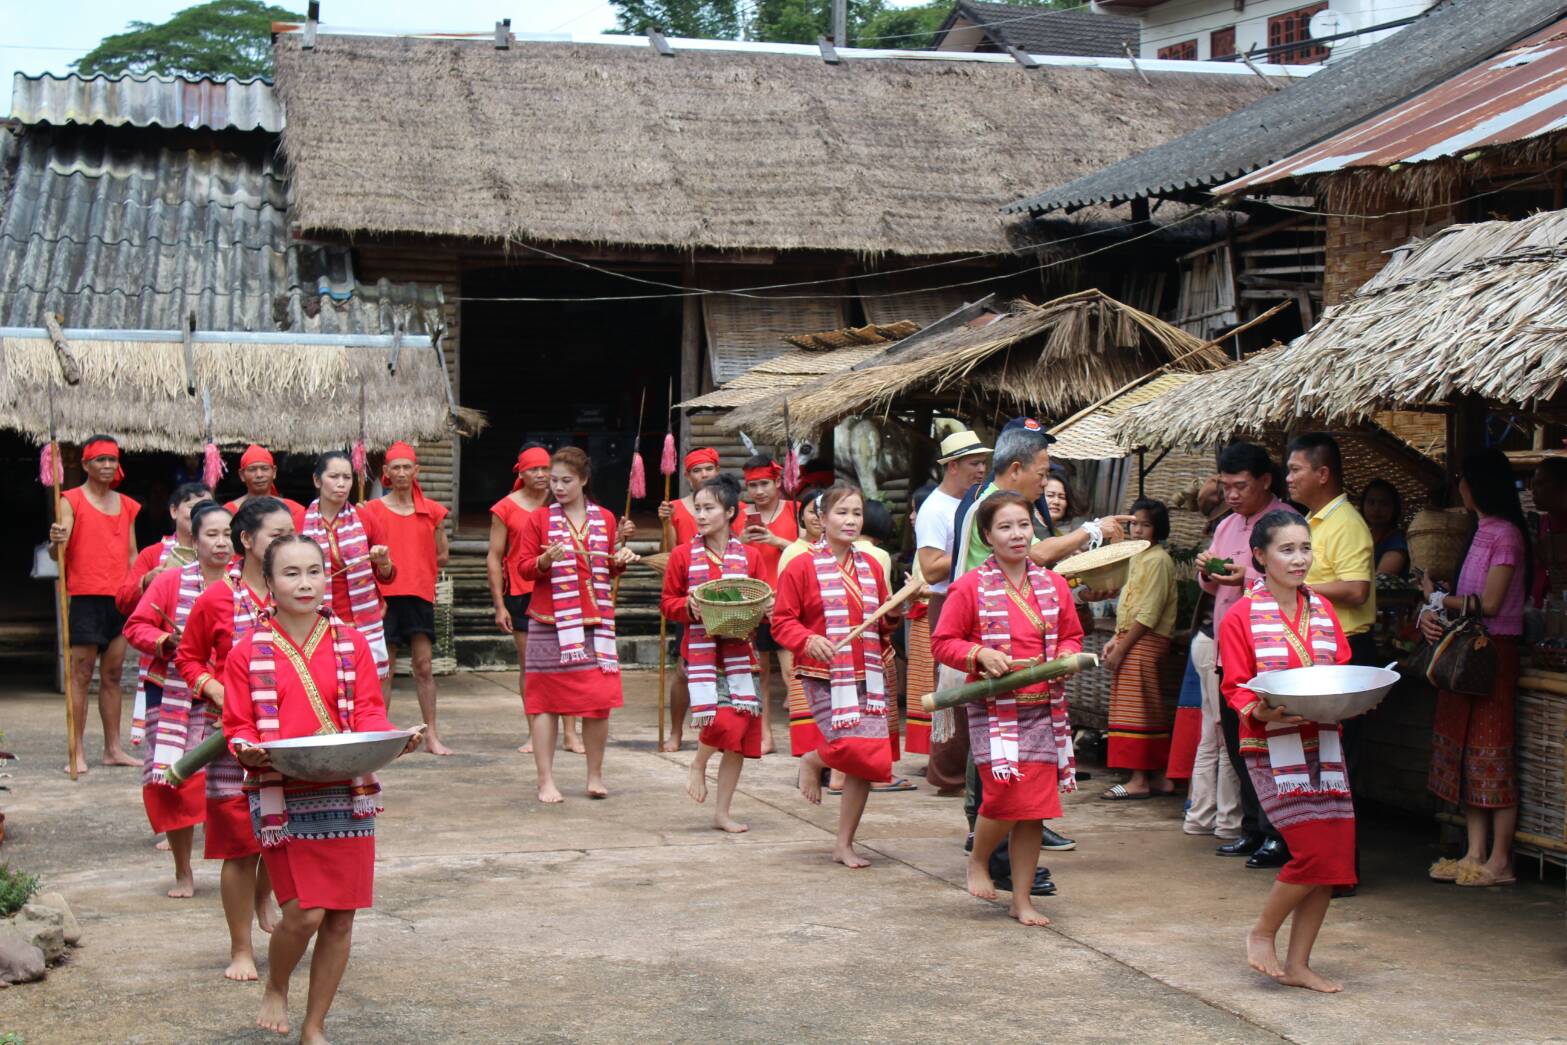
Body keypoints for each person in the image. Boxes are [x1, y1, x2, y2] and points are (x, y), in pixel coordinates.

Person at [224, 534, 422, 1043]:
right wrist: (246, 748)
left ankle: (315, 1025)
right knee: (305, 913)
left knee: (339, 918)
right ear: (267, 582)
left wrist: (394, 739)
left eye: (314, 571)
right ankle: (276, 983)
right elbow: (237, 724)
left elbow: (371, 714)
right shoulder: (247, 651)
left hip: (346, 790)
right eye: (291, 573)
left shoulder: (351, 643)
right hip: (280, 792)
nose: (305, 583)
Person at [931, 492, 1083, 926]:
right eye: (1005, 527)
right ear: (986, 536)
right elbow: (944, 642)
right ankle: (979, 858)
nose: (1017, 534)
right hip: (995, 710)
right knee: (1003, 795)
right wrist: (979, 653)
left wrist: (1066, 659)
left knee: (1034, 807)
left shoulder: (1053, 585)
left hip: (1044, 709)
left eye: (1023, 524)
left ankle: (1021, 899)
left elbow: (1072, 635)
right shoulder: (969, 586)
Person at [1219, 509, 1355, 992]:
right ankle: (1262, 932)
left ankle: (1299, 964)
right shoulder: (1240, 616)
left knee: (1334, 857)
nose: (1300, 559)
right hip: (1270, 746)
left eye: (1305, 549)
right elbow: (1235, 686)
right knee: (1313, 851)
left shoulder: (1322, 609)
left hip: (1325, 741)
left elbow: (1342, 666)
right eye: (1287, 549)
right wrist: (1263, 710)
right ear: (1260, 556)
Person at [175, 496, 293, 980]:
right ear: (246, 541)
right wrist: (218, 689)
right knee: (238, 846)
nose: (289, 544)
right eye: (278, 536)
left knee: (279, 835)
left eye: (292, 534)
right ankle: (241, 948)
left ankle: (265, 899)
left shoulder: (294, 590)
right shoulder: (216, 598)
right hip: (232, 740)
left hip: (288, 738)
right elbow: (188, 658)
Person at [772, 481, 905, 868]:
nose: (850, 521)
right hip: (822, 673)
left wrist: (895, 613)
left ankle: (844, 842)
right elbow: (782, 622)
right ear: (821, 518)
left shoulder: (873, 565)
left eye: (857, 513)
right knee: (851, 747)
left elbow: (881, 625)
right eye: (841, 512)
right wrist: (807, 640)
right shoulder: (799, 565)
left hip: (869, 671)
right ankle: (814, 759)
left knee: (869, 759)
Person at [1421, 447, 1531, 888]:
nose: (1459, 486)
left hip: (1493, 652)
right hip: (1473, 650)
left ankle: (1500, 860)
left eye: (1463, 478)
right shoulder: (1482, 530)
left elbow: (1489, 604)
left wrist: (1436, 597)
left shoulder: (1505, 535)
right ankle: (1474, 852)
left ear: (1476, 485)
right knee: (1470, 750)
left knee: (1493, 748)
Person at [123, 500, 233, 898]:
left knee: (235, 787)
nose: (221, 543)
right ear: (194, 538)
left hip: (228, 695)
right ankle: (183, 871)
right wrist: (165, 641)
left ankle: (238, 873)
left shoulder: (248, 584)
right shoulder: (170, 580)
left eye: (227, 534)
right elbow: (136, 626)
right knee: (178, 781)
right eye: (211, 535)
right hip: (172, 692)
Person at [517, 447, 638, 802]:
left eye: (566, 480)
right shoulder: (538, 521)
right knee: (543, 702)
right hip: (548, 620)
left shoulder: (605, 518)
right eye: (553, 480)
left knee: (598, 700)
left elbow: (609, 567)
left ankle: (595, 775)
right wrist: (543, 559)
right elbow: (523, 568)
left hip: (594, 623)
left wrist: (621, 559)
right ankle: (545, 781)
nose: (557, 487)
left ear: (584, 480)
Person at [1287, 433, 1376, 889]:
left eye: (1296, 470)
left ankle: (1343, 870)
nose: (1290, 478)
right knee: (1321, 762)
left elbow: (1357, 588)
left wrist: (1297, 587)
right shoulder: (1314, 522)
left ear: (1322, 474)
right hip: (1322, 656)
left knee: (1341, 764)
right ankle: (1323, 864)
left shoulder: (1347, 523)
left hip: (1348, 654)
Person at [662, 475, 768, 833]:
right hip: (703, 655)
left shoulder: (751, 557)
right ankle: (699, 761)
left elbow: (764, 599)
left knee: (737, 737)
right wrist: (688, 606)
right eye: (698, 508)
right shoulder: (681, 556)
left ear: (730, 512)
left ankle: (723, 812)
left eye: (709, 508)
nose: (701, 515)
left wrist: (765, 610)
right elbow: (667, 604)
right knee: (725, 723)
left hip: (741, 653)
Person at [1201, 442, 1289, 865]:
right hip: (1227, 652)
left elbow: (1292, 578)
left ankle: (1277, 832)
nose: (1232, 496)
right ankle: (1252, 828)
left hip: (1269, 653)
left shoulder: (1285, 522)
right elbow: (1216, 586)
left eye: (1241, 486)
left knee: (1271, 743)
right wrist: (1209, 573)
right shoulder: (1225, 526)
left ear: (1265, 481)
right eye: (1226, 487)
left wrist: (1248, 575)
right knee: (1239, 744)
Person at [48, 435, 142, 773]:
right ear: (86, 465)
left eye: (111, 460)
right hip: (86, 596)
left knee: (113, 674)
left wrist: (136, 593)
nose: (106, 466)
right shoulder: (70, 500)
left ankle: (112, 748)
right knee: (81, 674)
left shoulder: (127, 505)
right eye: (100, 460)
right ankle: (77, 751)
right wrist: (55, 540)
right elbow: (59, 544)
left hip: (119, 598)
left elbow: (132, 555)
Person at [488, 443, 585, 756]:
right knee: (531, 666)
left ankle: (571, 733)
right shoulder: (505, 508)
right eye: (534, 469)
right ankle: (535, 732)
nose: (542, 475)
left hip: (564, 587)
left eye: (546, 469)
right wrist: (499, 604)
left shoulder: (564, 501)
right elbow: (495, 556)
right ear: (521, 472)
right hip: (521, 589)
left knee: (569, 660)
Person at [360, 442, 452, 754]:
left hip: (419, 595)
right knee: (383, 667)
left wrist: (419, 569)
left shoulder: (433, 511)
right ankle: (379, 736)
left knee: (423, 666)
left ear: (416, 471)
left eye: (406, 467)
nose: (401, 472)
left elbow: (442, 555)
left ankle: (433, 735)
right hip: (383, 596)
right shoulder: (371, 511)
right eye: (395, 467)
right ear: (385, 473)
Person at [917, 431, 992, 794]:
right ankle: (948, 775)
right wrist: (973, 548)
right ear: (951, 467)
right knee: (953, 687)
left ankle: (966, 771)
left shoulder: (975, 501)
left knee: (973, 685)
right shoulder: (935, 508)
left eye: (983, 463)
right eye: (974, 463)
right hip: (947, 601)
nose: (981, 470)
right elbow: (930, 568)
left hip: (971, 599)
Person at [117, 481, 211, 748]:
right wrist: (147, 581)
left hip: (213, 668)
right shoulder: (153, 554)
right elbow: (123, 603)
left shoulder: (224, 559)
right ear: (173, 511)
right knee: (165, 751)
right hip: (167, 667)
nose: (199, 514)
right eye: (192, 507)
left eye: (207, 507)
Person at [1101, 498, 1178, 799]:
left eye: (1145, 525)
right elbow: (1128, 606)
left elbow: (1149, 612)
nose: (1138, 530)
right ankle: (1159, 776)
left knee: (1135, 710)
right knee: (1148, 706)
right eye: (1135, 523)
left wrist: (1122, 647)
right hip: (1133, 637)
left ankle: (1138, 780)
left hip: (1145, 640)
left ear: (1158, 529)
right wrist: (1115, 639)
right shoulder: (1137, 557)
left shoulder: (1159, 559)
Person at [297, 451, 396, 680]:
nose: (341, 484)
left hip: (363, 622)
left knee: (368, 686)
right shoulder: (299, 522)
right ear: (317, 480)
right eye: (334, 476)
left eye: (347, 477)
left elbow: (388, 576)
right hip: (315, 622)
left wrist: (384, 563)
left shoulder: (366, 519)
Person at [1181, 474, 1242, 841]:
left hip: (1210, 640)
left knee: (1212, 736)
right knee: (1222, 736)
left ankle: (1202, 815)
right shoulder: (1227, 530)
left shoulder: (1223, 532)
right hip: (1215, 642)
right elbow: (1210, 586)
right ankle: (1226, 821)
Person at [657, 447, 722, 751]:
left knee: (729, 665)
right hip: (690, 597)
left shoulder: (730, 507)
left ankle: (718, 731)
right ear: (687, 475)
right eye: (697, 470)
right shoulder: (676, 507)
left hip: (724, 596)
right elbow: (669, 552)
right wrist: (666, 524)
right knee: (684, 670)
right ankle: (676, 731)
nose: (704, 475)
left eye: (708, 469)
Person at [737, 455, 798, 754]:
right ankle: (765, 737)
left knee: (792, 673)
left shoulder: (795, 510)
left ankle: (804, 734)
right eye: (752, 486)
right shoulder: (739, 514)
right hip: (754, 603)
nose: (759, 491)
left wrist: (777, 541)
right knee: (758, 674)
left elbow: (809, 551)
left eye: (764, 484)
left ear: (777, 483)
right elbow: (727, 553)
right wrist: (740, 539)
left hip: (789, 605)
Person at [778, 490, 827, 759]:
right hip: (807, 640)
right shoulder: (794, 553)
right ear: (802, 517)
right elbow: (786, 611)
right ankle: (812, 761)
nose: (818, 518)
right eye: (812, 511)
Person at [223, 444, 306, 518]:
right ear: (242, 475)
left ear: (274, 472)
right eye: (252, 469)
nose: (259, 475)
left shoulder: (294, 510)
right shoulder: (228, 512)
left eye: (264, 469)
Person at [1529, 455, 1567, 607]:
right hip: (1539, 612)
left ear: (1563, 486)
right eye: (1533, 484)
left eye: (1541, 484)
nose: (1533, 491)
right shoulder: (1539, 524)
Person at [1361, 479, 1409, 577]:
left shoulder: (1397, 540)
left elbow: (1383, 578)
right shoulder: (1362, 536)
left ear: (1394, 508)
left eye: (1384, 504)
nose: (1376, 509)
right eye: (1371, 502)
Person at [1043, 469, 1087, 533]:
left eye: (1062, 497)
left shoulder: (1058, 535)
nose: (1056, 502)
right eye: (1050, 495)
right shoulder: (1030, 531)